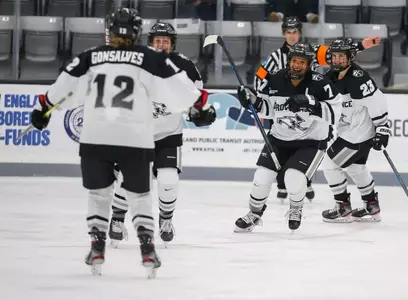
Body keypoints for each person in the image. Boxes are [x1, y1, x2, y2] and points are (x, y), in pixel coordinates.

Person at [29, 8, 209, 278]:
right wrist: (201, 105)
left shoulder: (89, 56)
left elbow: (62, 88)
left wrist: (43, 109)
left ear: (110, 31)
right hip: (134, 137)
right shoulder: (148, 58)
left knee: (99, 195)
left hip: (95, 136)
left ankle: (97, 247)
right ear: (137, 32)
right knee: (139, 195)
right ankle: (147, 248)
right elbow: (182, 93)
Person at [109, 21, 215, 248]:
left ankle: (166, 220)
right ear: (150, 42)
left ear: (172, 44)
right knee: (130, 179)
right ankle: (117, 219)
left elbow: (195, 99)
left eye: (166, 41)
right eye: (157, 40)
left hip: (168, 134)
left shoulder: (185, 67)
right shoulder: (135, 64)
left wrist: (200, 113)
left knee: (169, 179)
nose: (161, 44)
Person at [254, 16, 381, 204]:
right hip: (281, 106)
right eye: (288, 32)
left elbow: (335, 53)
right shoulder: (274, 58)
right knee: (281, 143)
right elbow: (259, 79)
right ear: (283, 34)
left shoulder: (310, 51)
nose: (292, 36)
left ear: (300, 33)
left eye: (295, 32)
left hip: (307, 104)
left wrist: (361, 46)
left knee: (309, 141)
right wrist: (262, 101)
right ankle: (282, 184)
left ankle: (305, 181)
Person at [235, 43, 342, 232]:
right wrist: (252, 101)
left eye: (302, 62)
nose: (297, 65)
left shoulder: (320, 83)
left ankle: (296, 208)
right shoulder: (276, 79)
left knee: (294, 177)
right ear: (288, 61)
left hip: (311, 141)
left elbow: (336, 113)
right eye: (294, 61)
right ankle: (254, 214)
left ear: (309, 64)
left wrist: (312, 104)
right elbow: (269, 108)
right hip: (278, 139)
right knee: (261, 177)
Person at [320, 38, 390, 223]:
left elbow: (377, 100)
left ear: (350, 58)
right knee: (356, 167)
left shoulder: (359, 77)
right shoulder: (331, 76)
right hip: (349, 131)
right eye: (334, 56)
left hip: (359, 133)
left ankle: (342, 207)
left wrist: (382, 129)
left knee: (329, 163)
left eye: (342, 57)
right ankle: (371, 205)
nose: (337, 60)